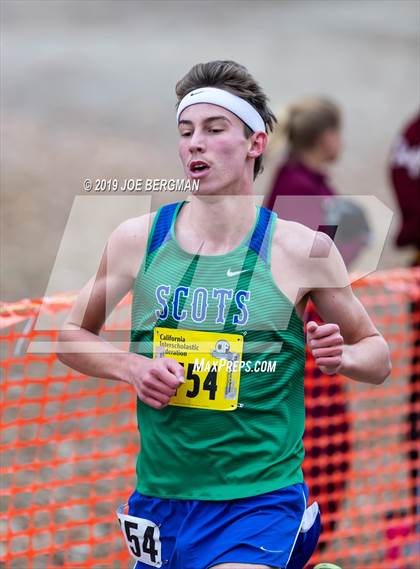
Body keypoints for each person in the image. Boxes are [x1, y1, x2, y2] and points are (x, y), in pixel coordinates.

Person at [57, 60, 391, 569]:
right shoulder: (136, 239)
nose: (196, 143)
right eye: (187, 131)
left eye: (215, 130)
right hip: (163, 497)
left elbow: (379, 355)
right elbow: (70, 335)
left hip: (260, 498)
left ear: (255, 143)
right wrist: (133, 368)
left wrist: (342, 355)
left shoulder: (304, 250)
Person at [264, 98, 370, 269]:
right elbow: (309, 257)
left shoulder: (303, 178)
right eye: (338, 133)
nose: (341, 141)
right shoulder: (298, 187)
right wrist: (357, 241)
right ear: (326, 138)